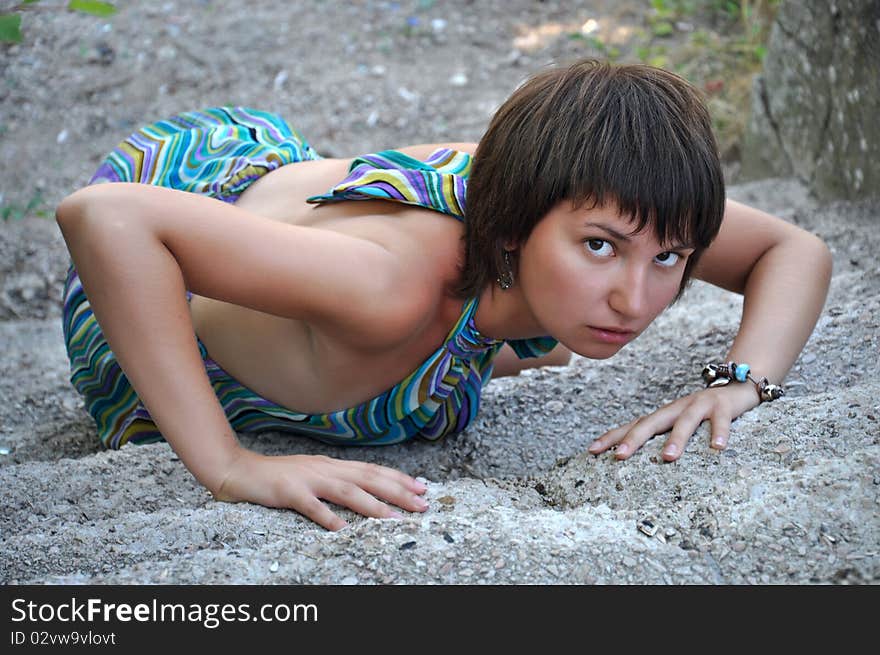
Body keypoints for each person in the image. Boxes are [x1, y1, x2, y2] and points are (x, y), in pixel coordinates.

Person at [55, 59, 832, 531]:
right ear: (519, 222)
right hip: (149, 288)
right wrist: (228, 466)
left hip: (301, 236)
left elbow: (792, 249)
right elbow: (105, 220)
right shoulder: (388, 288)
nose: (636, 298)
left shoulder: (591, 201)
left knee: (553, 331)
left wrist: (739, 383)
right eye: (600, 246)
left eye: (671, 258)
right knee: (498, 328)